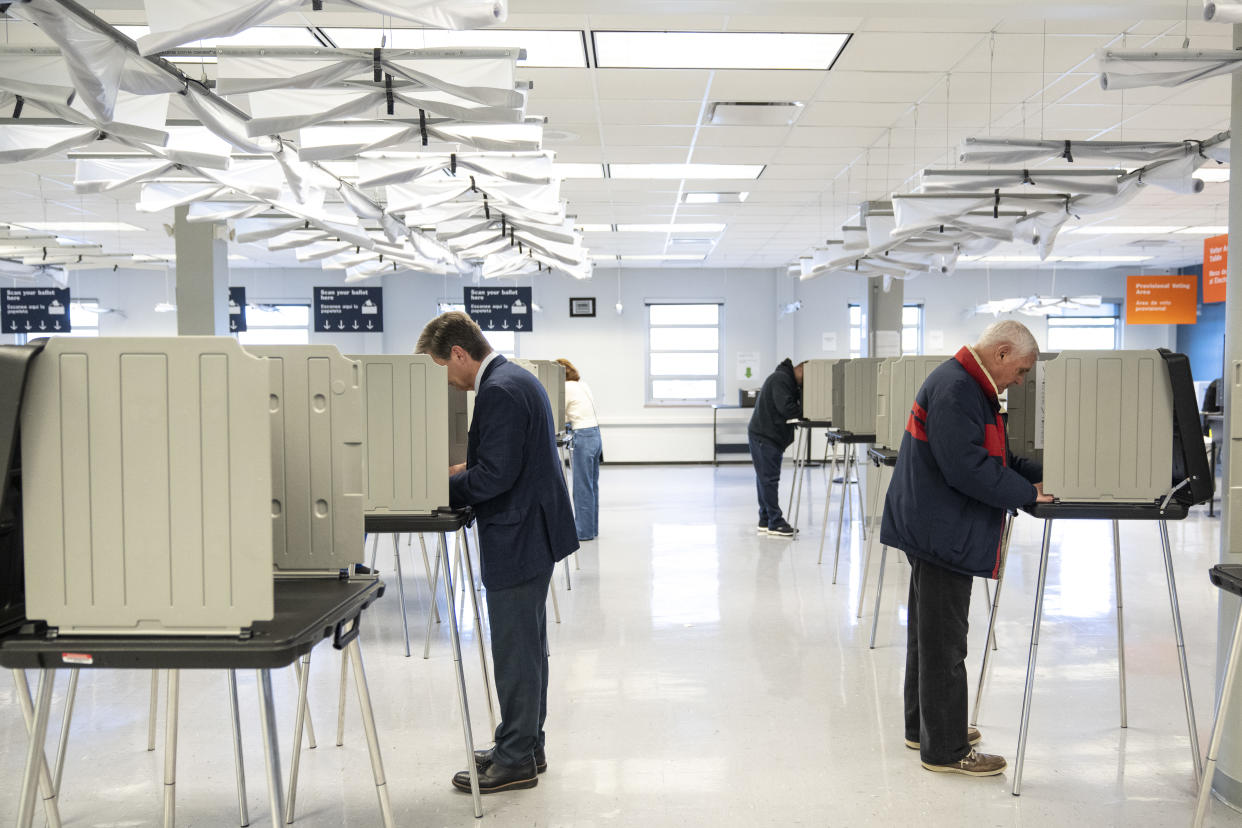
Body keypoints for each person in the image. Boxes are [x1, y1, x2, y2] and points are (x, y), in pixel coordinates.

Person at [880, 319, 1052, 777]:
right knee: (945, 643)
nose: (1019, 381)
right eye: (1019, 371)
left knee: (929, 636)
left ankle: (926, 729)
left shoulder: (966, 385)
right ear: (999, 354)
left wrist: (1043, 470)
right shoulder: (957, 389)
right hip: (941, 533)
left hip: (934, 525)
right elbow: (967, 469)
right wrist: (1027, 494)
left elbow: (992, 456)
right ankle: (947, 749)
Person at [416, 311, 579, 794]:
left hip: (519, 533)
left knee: (515, 651)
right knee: (528, 648)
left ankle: (514, 760)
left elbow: (495, 477)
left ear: (460, 355)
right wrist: (464, 467)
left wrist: (440, 487)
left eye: (440, 366)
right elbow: (508, 458)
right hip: (533, 529)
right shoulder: (515, 379)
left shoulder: (499, 392)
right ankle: (525, 744)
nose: (444, 380)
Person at [747, 358, 805, 537]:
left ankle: (765, 519)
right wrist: (806, 412)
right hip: (766, 436)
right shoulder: (781, 379)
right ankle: (775, 522)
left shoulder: (783, 379)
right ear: (801, 371)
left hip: (765, 434)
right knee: (769, 479)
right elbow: (786, 408)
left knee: (764, 478)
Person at [555, 357, 602, 542]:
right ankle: (592, 528)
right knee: (591, 486)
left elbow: (560, 413)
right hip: (596, 435)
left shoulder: (565, 388)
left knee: (582, 487)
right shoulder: (582, 384)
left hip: (582, 436)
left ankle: (583, 532)